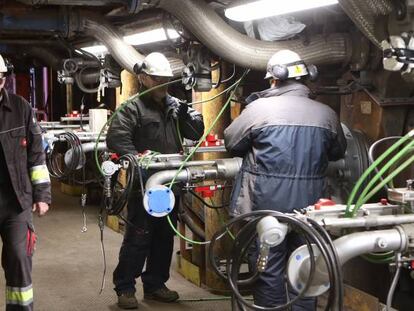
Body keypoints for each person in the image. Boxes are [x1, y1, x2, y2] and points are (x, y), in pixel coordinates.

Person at [224, 49, 347, 310]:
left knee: (268, 272)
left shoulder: (258, 109)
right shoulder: (326, 114)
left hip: (265, 205)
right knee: (305, 269)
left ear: (274, 78)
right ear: (305, 78)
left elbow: (232, 143)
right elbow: (338, 152)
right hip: (310, 210)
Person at [106, 52, 204, 310]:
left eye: (166, 79)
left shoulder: (174, 105)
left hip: (170, 183)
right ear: (143, 78)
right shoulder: (132, 108)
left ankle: (155, 284)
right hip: (143, 185)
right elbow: (116, 139)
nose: (163, 84)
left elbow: (195, 133)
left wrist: (187, 116)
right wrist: (137, 158)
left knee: (164, 236)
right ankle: (125, 287)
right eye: (157, 78)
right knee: (139, 236)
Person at [0, 54, 51, 310]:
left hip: (15, 201)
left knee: (19, 259)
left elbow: (36, 155)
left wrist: (41, 195)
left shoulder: (21, 108)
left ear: (2, 80)